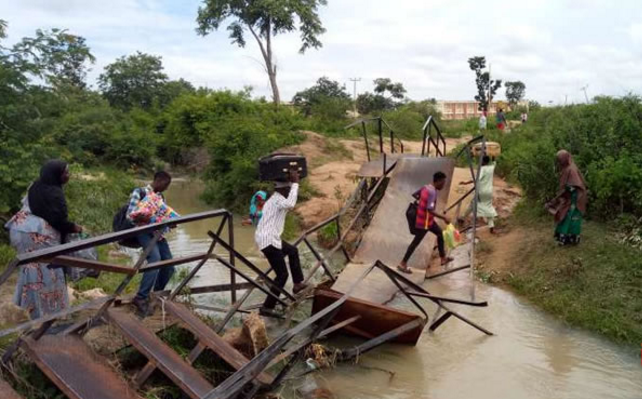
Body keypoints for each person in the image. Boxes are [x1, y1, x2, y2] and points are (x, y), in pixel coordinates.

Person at [4, 160, 82, 319]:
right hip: (37, 234)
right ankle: (50, 314)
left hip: (19, 228)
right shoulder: (55, 193)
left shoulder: (36, 185)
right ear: (56, 175)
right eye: (65, 173)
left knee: (30, 268)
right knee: (50, 272)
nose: (68, 175)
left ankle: (28, 308)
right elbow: (58, 221)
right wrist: (74, 227)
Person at [255, 170, 308, 317]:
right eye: (288, 189)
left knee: (292, 251)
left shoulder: (274, 199)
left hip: (271, 238)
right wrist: (296, 183)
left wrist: (293, 183)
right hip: (268, 241)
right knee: (282, 275)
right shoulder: (277, 199)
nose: (288, 191)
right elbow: (291, 204)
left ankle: (297, 284)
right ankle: (267, 307)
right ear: (283, 189)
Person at [128, 171, 175, 315]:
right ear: (160, 181)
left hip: (158, 233)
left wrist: (170, 222)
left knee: (169, 265)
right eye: (166, 185)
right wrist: (142, 216)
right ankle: (140, 297)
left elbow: (162, 216)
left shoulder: (160, 197)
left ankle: (156, 294)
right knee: (155, 260)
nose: (166, 188)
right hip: (143, 232)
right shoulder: (140, 192)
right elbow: (130, 215)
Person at [398, 172, 452, 274]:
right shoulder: (432, 192)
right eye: (443, 183)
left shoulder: (425, 187)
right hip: (425, 223)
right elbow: (430, 209)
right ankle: (402, 263)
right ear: (438, 181)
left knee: (440, 233)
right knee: (415, 242)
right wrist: (444, 217)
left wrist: (421, 202)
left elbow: (415, 195)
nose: (444, 185)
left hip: (428, 220)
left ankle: (443, 258)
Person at [546, 150, 587, 246]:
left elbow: (575, 186)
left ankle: (570, 239)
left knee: (571, 217)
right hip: (569, 197)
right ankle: (563, 237)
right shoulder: (566, 168)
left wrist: (560, 197)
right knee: (563, 214)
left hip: (576, 198)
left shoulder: (571, 169)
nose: (559, 162)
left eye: (560, 159)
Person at [459, 155, 498, 233]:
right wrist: (493, 156)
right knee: (487, 207)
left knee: (473, 204)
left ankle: (462, 218)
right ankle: (491, 227)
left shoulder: (482, 169)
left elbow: (476, 179)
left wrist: (465, 182)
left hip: (481, 191)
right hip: (488, 192)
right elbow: (494, 162)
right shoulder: (491, 168)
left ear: (483, 162)